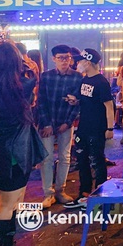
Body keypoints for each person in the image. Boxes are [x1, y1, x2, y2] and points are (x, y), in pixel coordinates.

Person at [0, 42, 45, 246]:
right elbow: (32, 78)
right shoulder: (24, 85)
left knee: (5, 202)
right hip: (13, 155)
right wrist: (27, 64)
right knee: (7, 204)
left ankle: (7, 243)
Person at [64, 49, 114, 209]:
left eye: (80, 61)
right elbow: (84, 100)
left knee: (97, 161)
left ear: (88, 62)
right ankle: (84, 194)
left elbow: (109, 107)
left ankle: (100, 195)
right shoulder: (83, 80)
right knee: (82, 160)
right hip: (83, 126)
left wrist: (110, 128)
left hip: (97, 127)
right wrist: (75, 101)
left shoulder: (101, 82)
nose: (77, 64)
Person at [36, 44, 82, 208]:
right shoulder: (46, 76)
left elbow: (77, 103)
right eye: (61, 58)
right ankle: (48, 193)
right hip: (47, 122)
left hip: (66, 122)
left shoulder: (77, 77)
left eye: (67, 58)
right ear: (54, 59)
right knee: (47, 158)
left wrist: (67, 123)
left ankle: (60, 191)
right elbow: (41, 102)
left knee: (65, 157)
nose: (65, 61)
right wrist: (46, 123)